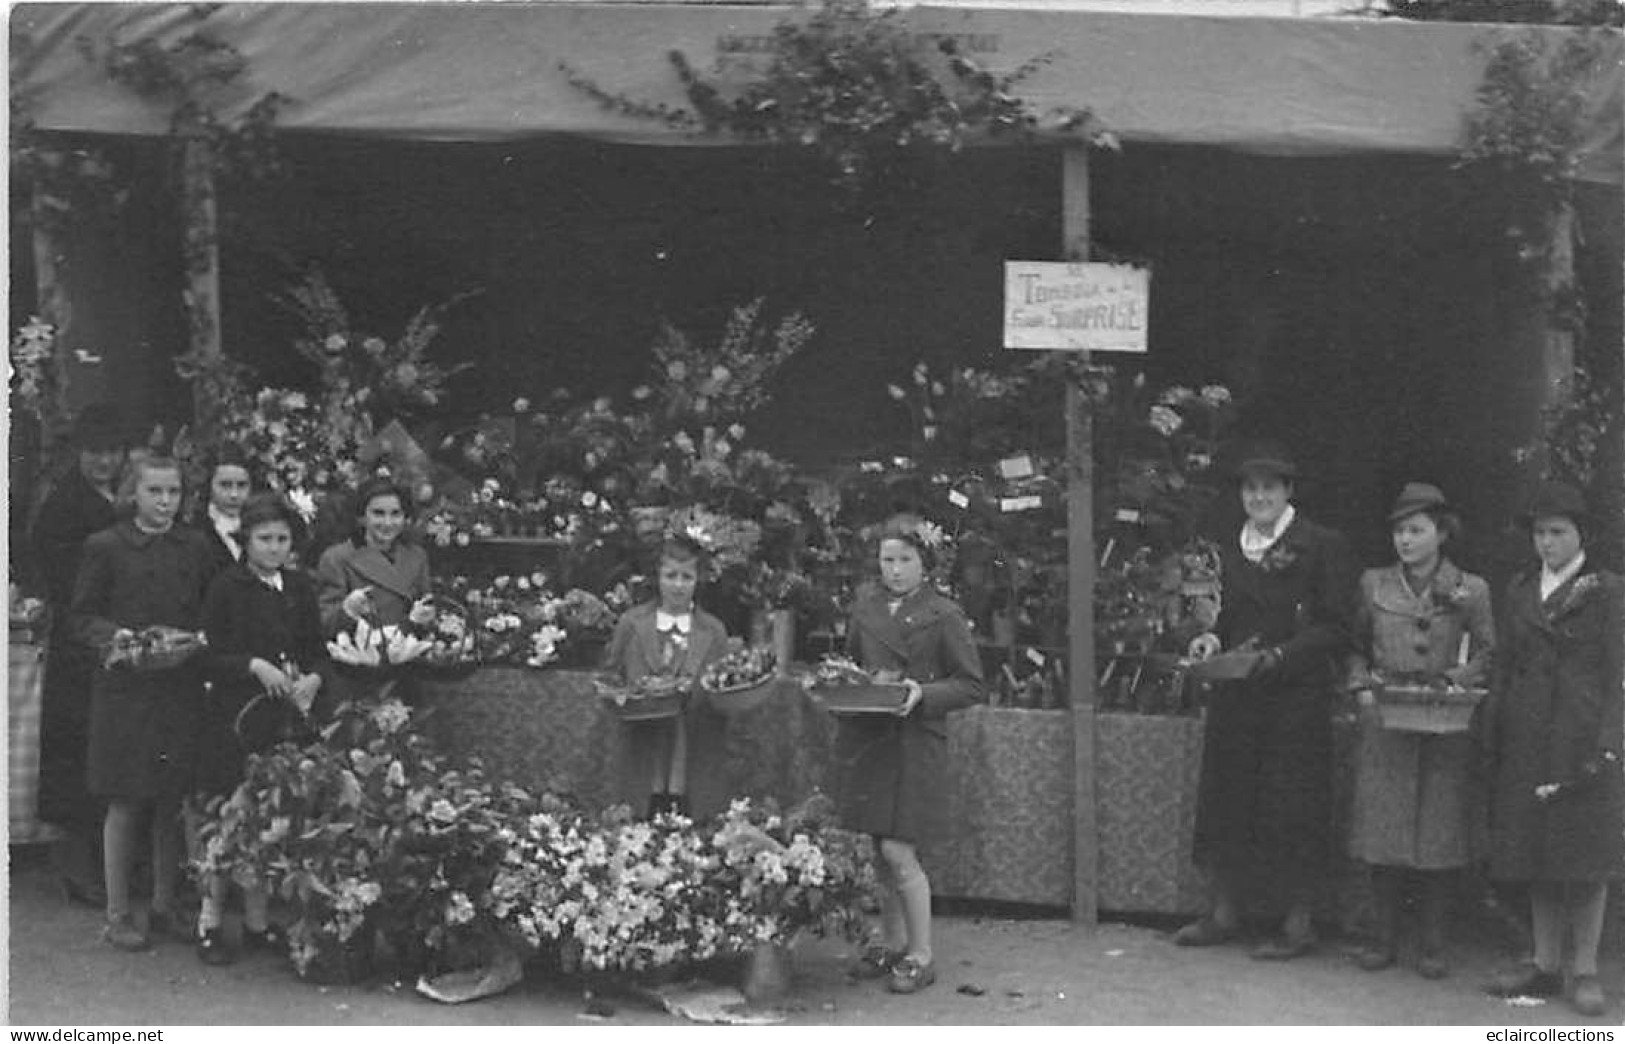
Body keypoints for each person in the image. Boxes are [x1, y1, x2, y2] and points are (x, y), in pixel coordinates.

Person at [1176, 443, 1355, 959]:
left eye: (1269, 488)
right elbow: (1227, 619)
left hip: (1295, 698)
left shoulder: (1321, 545)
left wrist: (1281, 656)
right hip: (1240, 694)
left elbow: (1338, 627)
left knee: (1291, 808)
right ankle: (1224, 914)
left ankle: (1297, 926)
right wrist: (1212, 641)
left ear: (1288, 492)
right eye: (1250, 489)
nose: (1259, 497)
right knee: (1230, 800)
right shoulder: (1232, 550)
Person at [1482, 481, 1622, 1018]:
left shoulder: (1609, 590)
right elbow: (1506, 664)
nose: (1547, 544)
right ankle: (1543, 961)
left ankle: (1584, 969)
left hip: (1582, 735)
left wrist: (1611, 739)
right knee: (1536, 851)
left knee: (1583, 856)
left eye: (1558, 533)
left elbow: (1618, 673)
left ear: (1581, 534)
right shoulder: (1520, 589)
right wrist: (1495, 728)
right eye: (1540, 533)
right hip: (1528, 735)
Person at [1346, 482, 1494, 979]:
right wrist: (1362, 688)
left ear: (1441, 533)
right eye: (1398, 531)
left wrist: (1455, 682)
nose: (1405, 540)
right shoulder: (1373, 585)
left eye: (1416, 530)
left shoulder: (1471, 589)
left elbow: (1489, 653)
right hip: (1387, 722)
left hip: (1444, 726)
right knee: (1383, 830)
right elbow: (1354, 647)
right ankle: (1382, 939)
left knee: (1439, 833)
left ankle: (1433, 943)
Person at [832, 513, 984, 995]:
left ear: (926, 563)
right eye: (887, 560)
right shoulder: (866, 608)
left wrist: (924, 693)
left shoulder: (944, 614)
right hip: (871, 740)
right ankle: (892, 942)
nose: (894, 570)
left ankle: (922, 954)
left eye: (905, 560)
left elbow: (972, 683)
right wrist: (844, 686)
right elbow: (854, 666)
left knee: (900, 850)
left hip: (916, 743)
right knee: (878, 849)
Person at [69, 456, 215, 951]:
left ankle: (163, 905)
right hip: (126, 693)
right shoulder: (105, 547)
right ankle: (116, 915)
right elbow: (82, 617)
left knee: (171, 800)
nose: (165, 502)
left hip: (178, 688)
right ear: (133, 493)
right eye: (155, 491)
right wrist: (119, 637)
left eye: (173, 492)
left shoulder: (195, 546)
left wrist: (198, 640)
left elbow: (207, 607)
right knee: (126, 800)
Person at [194, 493, 328, 965]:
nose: (274, 548)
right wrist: (254, 666)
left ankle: (255, 921)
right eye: (264, 539)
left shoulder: (299, 587)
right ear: (245, 540)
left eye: (282, 540)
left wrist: (312, 677)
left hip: (284, 719)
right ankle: (209, 922)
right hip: (237, 718)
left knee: (268, 822)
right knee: (230, 821)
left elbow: (317, 648)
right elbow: (207, 654)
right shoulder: (226, 587)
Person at [31, 404, 127, 906]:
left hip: (114, 632)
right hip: (79, 635)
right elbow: (59, 572)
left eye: (113, 452)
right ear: (80, 453)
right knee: (77, 745)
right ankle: (75, 861)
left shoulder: (125, 497)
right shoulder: (65, 504)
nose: (104, 462)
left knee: (109, 749)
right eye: (95, 453)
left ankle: (108, 860)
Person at [601, 534, 728, 818]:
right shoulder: (632, 624)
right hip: (643, 739)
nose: (679, 585)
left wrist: (700, 692)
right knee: (642, 813)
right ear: (656, 577)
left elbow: (722, 688)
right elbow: (611, 676)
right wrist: (629, 696)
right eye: (671, 576)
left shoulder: (714, 631)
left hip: (693, 742)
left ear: (699, 580)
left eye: (687, 577)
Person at [315, 476, 431, 634]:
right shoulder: (336, 558)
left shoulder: (417, 556)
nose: (387, 523)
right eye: (378, 514)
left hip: (408, 651)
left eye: (396, 514)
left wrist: (424, 619)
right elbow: (323, 623)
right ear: (362, 517)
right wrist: (347, 611)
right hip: (358, 653)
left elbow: (427, 607)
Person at [194, 447, 255, 573]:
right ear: (209, 485)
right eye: (225, 485)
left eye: (242, 485)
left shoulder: (259, 526)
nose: (234, 494)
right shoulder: (195, 530)